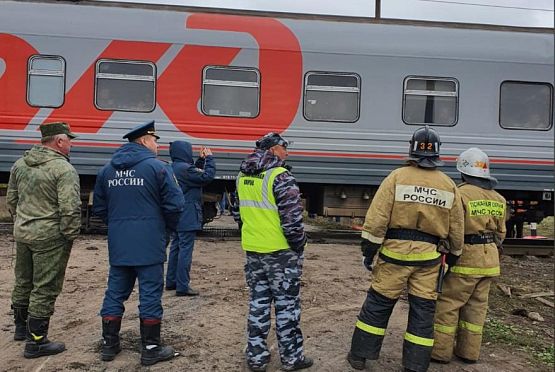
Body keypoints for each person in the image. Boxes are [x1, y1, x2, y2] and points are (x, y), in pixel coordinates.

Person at [347, 126, 464, 372]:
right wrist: (453, 256)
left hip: (394, 255)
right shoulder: (448, 185)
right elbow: (456, 227)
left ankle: (360, 356)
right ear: (437, 153)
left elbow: (377, 218)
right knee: (423, 311)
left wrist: (369, 250)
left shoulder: (396, 177)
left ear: (411, 149)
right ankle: (415, 366)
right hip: (429, 259)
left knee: (379, 304)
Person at [92, 120, 184, 366]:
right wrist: (165, 229)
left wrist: (120, 226)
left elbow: (99, 208)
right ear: (144, 141)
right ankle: (151, 348)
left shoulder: (106, 170)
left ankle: (109, 345)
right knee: (150, 294)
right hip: (150, 243)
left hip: (119, 244)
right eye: (154, 140)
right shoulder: (158, 168)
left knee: (115, 292)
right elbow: (175, 205)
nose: (157, 145)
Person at [234, 132, 313, 372]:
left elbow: (238, 215)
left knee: (258, 304)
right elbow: (292, 221)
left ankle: (256, 358)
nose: (287, 152)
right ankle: (291, 358)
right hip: (281, 253)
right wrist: (299, 246)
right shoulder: (280, 177)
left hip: (254, 251)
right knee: (287, 307)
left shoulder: (241, 176)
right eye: (284, 147)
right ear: (273, 149)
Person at [7, 122, 81, 358]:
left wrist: (21, 222)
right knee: (45, 288)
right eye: (69, 139)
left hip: (24, 233)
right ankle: (36, 341)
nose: (71, 143)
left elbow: (12, 199)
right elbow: (70, 208)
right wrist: (69, 235)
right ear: (59, 142)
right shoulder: (63, 169)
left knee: (23, 281)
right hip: (49, 236)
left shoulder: (20, 164)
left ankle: (21, 329)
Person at [431, 148, 506, 364]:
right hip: (489, 261)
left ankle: (440, 353)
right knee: (476, 309)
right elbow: (501, 233)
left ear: (462, 171)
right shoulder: (498, 198)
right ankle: (469, 353)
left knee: (448, 305)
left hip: (466, 259)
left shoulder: (459, 194)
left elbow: (453, 228)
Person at [165, 141, 216, 296]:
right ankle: (182, 286)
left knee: (176, 247)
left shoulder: (173, 167)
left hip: (175, 214)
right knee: (185, 250)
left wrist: (200, 161)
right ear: (185, 152)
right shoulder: (186, 170)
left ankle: (171, 281)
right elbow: (206, 177)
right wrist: (210, 159)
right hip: (187, 214)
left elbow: (195, 173)